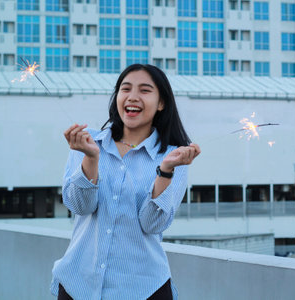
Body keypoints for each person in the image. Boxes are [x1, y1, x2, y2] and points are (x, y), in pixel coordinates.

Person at [50, 64, 201, 300]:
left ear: (161, 103)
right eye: (126, 88)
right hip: (78, 286)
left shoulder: (174, 157)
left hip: (142, 290)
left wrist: (165, 171)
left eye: (145, 90)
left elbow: (152, 224)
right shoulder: (88, 143)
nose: (132, 97)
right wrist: (91, 158)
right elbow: (79, 206)